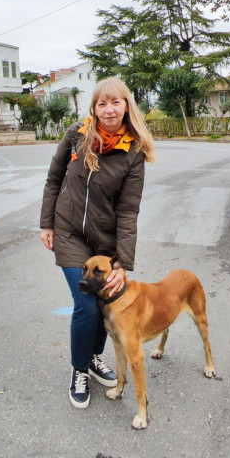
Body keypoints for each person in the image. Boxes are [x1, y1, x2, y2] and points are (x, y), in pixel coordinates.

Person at [40, 77, 155, 409]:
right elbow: (54, 177)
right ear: (94, 107)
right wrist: (47, 222)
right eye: (102, 103)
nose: (108, 109)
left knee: (107, 300)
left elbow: (129, 210)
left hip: (104, 242)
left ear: (126, 106)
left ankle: (92, 356)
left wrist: (122, 262)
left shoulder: (133, 151)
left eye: (115, 102)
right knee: (87, 303)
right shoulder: (78, 133)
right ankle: (79, 369)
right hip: (69, 231)